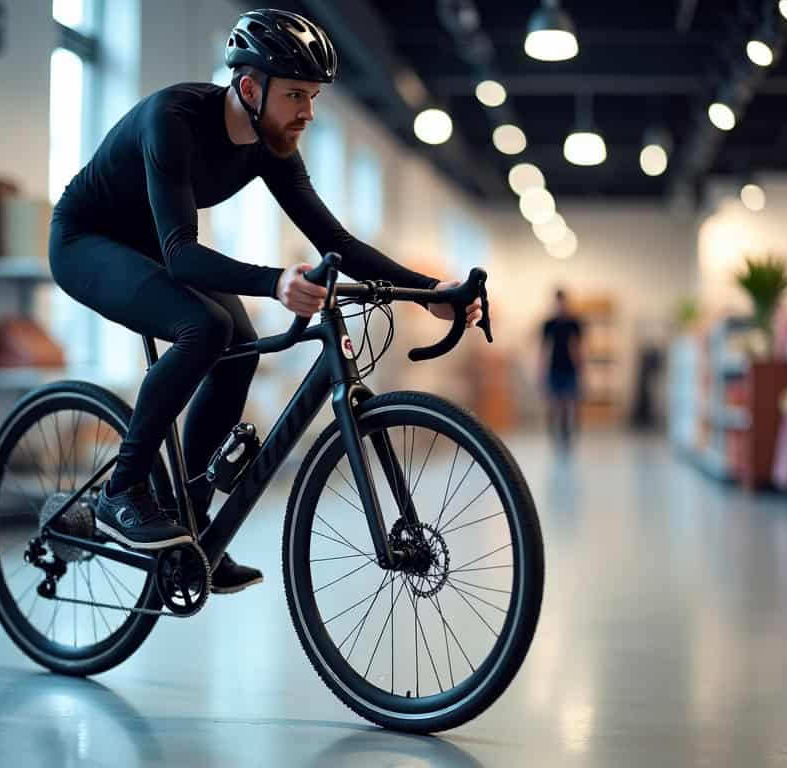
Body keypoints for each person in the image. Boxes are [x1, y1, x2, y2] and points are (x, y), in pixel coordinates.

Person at [47, 9, 481, 594]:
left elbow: (338, 242)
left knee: (242, 345)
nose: (308, 111)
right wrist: (276, 281)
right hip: (87, 241)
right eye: (297, 95)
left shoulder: (271, 145)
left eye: (315, 96)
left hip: (150, 246)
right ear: (249, 87)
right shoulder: (172, 119)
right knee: (203, 326)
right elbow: (181, 255)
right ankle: (122, 491)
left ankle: (190, 528)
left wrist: (430, 293)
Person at [540, 289, 584, 449]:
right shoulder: (548, 324)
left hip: (570, 369)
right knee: (553, 404)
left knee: (568, 403)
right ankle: (554, 436)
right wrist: (541, 370)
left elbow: (578, 347)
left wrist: (581, 368)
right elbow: (545, 348)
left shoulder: (574, 323)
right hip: (554, 368)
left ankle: (566, 437)